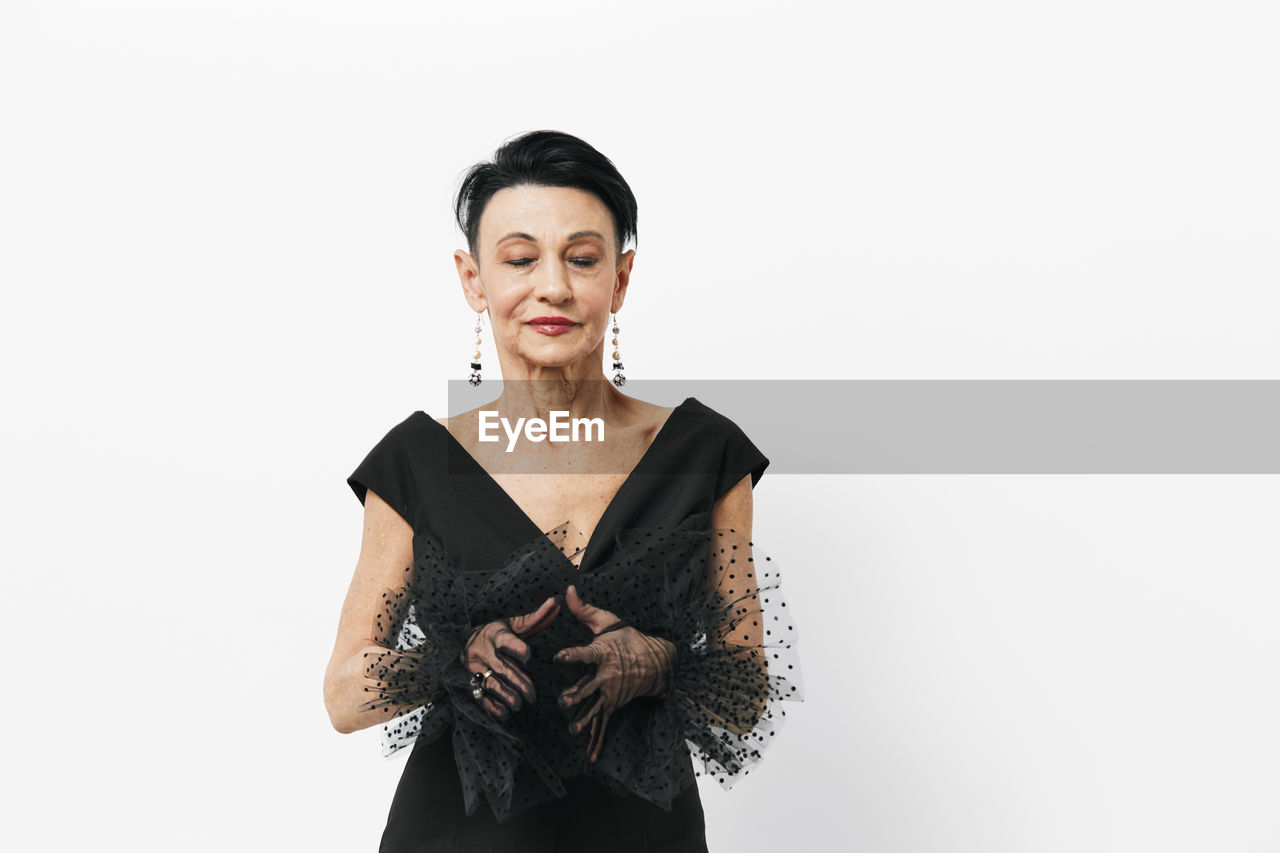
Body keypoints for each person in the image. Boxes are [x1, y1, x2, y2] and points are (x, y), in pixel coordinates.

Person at [323, 130, 802, 852]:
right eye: (520, 259)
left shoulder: (706, 453)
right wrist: (452, 659)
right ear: (473, 279)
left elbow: (745, 690)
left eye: (582, 258)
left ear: (621, 277)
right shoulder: (418, 460)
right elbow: (344, 693)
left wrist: (662, 660)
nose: (553, 285)